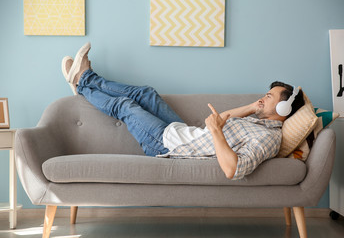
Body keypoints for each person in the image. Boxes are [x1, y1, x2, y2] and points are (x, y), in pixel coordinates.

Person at [61, 42, 305, 180]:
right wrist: (252, 107)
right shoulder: (259, 122)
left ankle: (84, 81)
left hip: (171, 147)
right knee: (147, 93)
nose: (263, 97)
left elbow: (234, 170)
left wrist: (216, 131)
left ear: (283, 108)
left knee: (127, 106)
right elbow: (224, 119)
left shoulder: (269, 138)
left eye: (269, 96)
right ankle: (86, 81)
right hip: (185, 133)